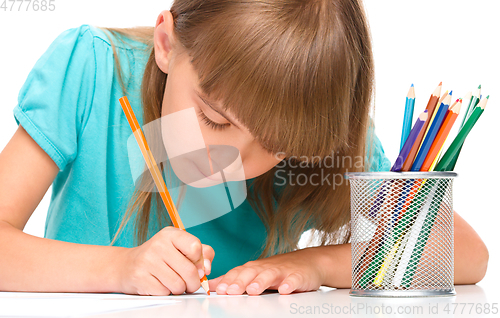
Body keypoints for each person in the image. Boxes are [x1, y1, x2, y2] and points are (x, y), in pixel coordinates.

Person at [0, 0, 488, 296]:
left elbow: (465, 254)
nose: (231, 157)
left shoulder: (315, 131)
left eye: (275, 146)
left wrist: (312, 264)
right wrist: (121, 270)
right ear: (167, 44)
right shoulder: (92, 70)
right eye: (214, 117)